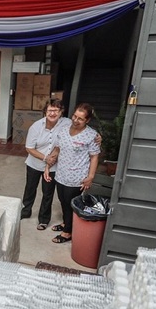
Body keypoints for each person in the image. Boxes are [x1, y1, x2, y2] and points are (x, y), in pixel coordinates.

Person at [44, 103, 101, 244]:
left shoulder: (91, 135)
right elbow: (57, 149)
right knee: (63, 200)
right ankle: (66, 223)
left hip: (77, 178)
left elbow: (94, 157)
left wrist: (91, 177)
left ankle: (68, 232)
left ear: (87, 120)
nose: (76, 120)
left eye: (80, 119)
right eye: (75, 116)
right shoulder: (63, 130)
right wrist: (48, 165)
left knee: (70, 204)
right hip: (61, 174)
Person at [20, 99, 70, 230]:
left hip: (53, 166)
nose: (52, 113)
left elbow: (81, 127)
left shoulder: (67, 123)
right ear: (45, 112)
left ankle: (43, 219)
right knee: (30, 188)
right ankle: (26, 211)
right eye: (50, 110)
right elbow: (29, 148)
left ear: (61, 112)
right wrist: (46, 158)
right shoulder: (36, 127)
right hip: (34, 163)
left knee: (48, 193)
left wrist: (97, 136)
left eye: (56, 110)